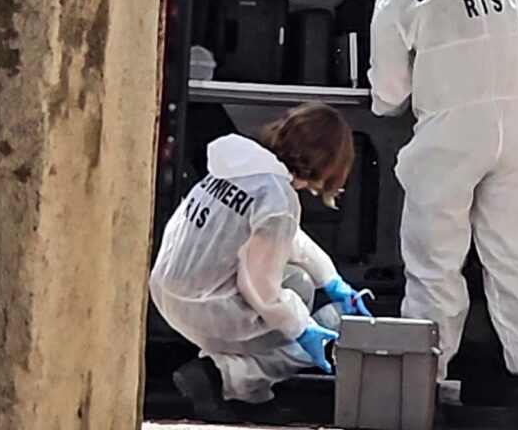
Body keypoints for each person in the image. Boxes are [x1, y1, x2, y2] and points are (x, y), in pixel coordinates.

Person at [361, 0, 518, 428]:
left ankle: (421, 392)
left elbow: (388, 95)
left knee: (434, 267)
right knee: (514, 259)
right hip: (511, 138)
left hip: (448, 143)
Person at [150, 103, 371, 423]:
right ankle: (223, 376)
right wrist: (303, 328)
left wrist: (330, 279)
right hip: (204, 309)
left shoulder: (241, 165)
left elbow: (283, 238)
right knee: (304, 303)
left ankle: (250, 394)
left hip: (167, 293)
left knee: (297, 283)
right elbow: (259, 287)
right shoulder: (278, 197)